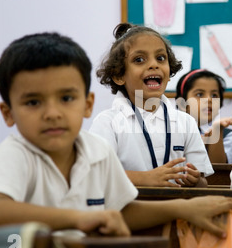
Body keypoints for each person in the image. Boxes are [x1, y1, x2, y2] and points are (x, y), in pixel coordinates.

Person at [0, 32, 232, 238]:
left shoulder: (95, 151)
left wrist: (182, 209)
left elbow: (121, 210)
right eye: (33, 102)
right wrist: (79, 218)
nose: (52, 113)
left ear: (87, 104)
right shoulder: (16, 154)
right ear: (8, 113)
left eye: (67, 97)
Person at [89, 23, 213, 187]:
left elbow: (203, 183)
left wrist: (195, 180)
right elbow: (96, 175)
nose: (154, 64)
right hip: (129, 211)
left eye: (161, 58)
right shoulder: (107, 122)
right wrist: (145, 178)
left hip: (178, 210)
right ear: (119, 75)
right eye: (139, 60)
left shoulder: (186, 122)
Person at [175, 69, 232, 163]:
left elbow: (218, 172)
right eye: (199, 94)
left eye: (214, 95)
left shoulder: (229, 136)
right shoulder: (170, 132)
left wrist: (217, 130)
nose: (209, 99)